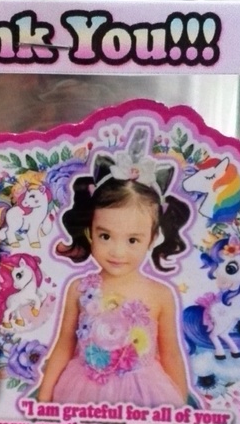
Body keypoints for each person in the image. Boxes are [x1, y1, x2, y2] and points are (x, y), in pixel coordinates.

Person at [37, 129, 191, 406]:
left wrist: (180, 411)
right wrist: (44, 398)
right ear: (90, 232)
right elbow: (64, 346)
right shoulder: (79, 288)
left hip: (144, 395)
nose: (118, 251)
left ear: (152, 239)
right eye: (106, 236)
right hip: (82, 392)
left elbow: (171, 354)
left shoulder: (160, 294)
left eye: (133, 240)